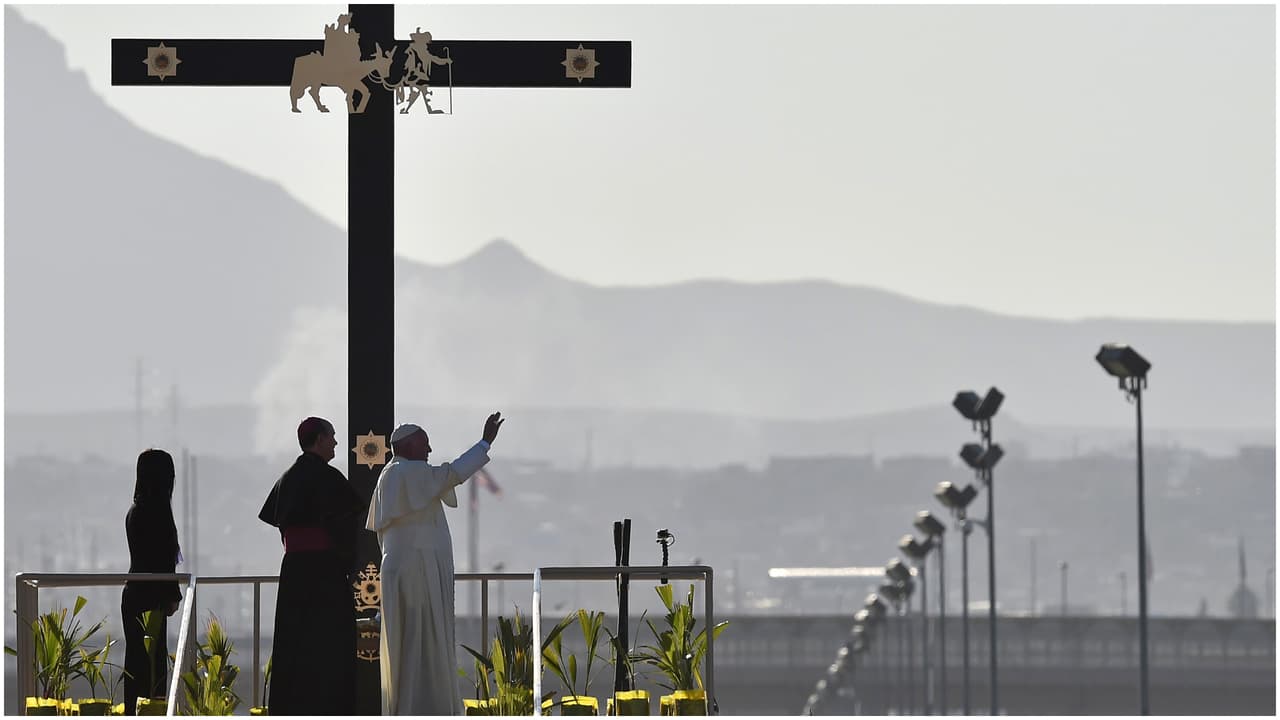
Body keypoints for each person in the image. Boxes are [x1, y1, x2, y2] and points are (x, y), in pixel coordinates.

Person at [367, 412, 504, 715]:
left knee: (420, 643)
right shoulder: (405, 473)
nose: (429, 451)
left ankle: (421, 705)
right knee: (419, 642)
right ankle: (422, 707)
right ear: (409, 445)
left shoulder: (397, 476)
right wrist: (485, 442)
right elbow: (454, 473)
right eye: (425, 444)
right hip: (417, 573)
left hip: (413, 571)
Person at [259, 417, 366, 715]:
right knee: (328, 647)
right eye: (332, 436)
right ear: (319, 439)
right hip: (325, 573)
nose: (335, 442)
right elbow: (346, 528)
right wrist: (347, 563)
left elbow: (284, 527)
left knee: (295, 645)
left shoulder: (288, 478)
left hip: (294, 571)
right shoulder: (329, 479)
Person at [121, 449, 182, 715]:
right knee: (154, 664)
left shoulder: (136, 510)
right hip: (152, 596)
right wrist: (173, 594)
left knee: (137, 662)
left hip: (135, 594)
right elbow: (163, 559)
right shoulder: (158, 512)